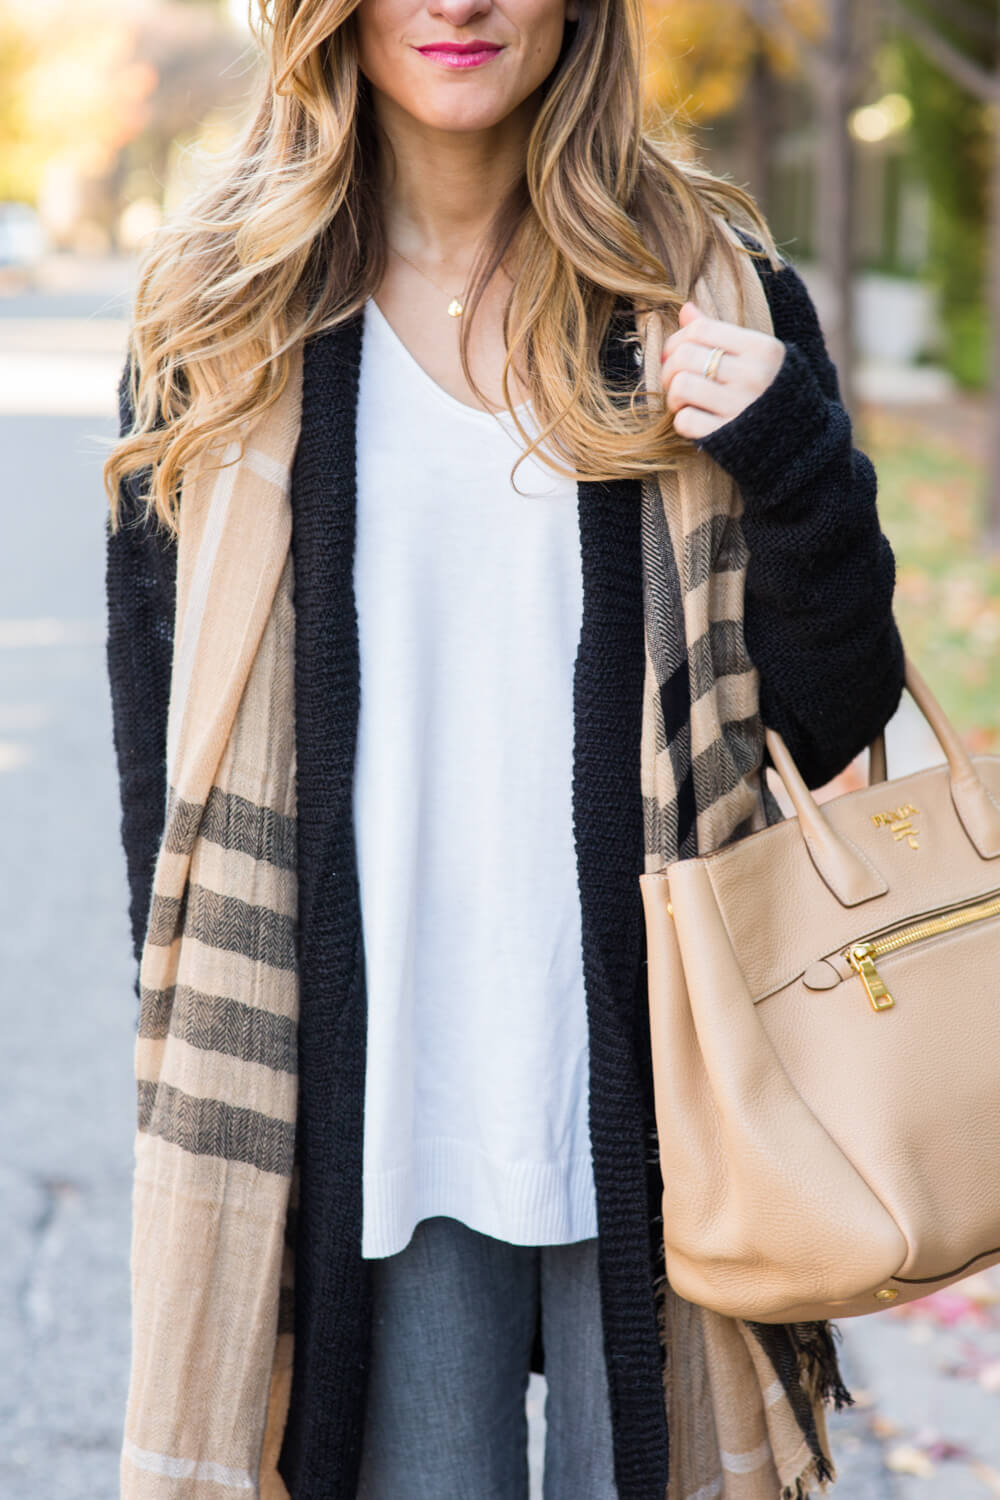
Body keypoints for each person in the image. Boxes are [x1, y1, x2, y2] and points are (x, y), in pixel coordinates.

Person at [104, 2, 905, 1497]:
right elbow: (167, 793)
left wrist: (796, 462)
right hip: (378, 1103)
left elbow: (830, 713)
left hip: (673, 1092)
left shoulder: (709, 289)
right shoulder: (223, 316)